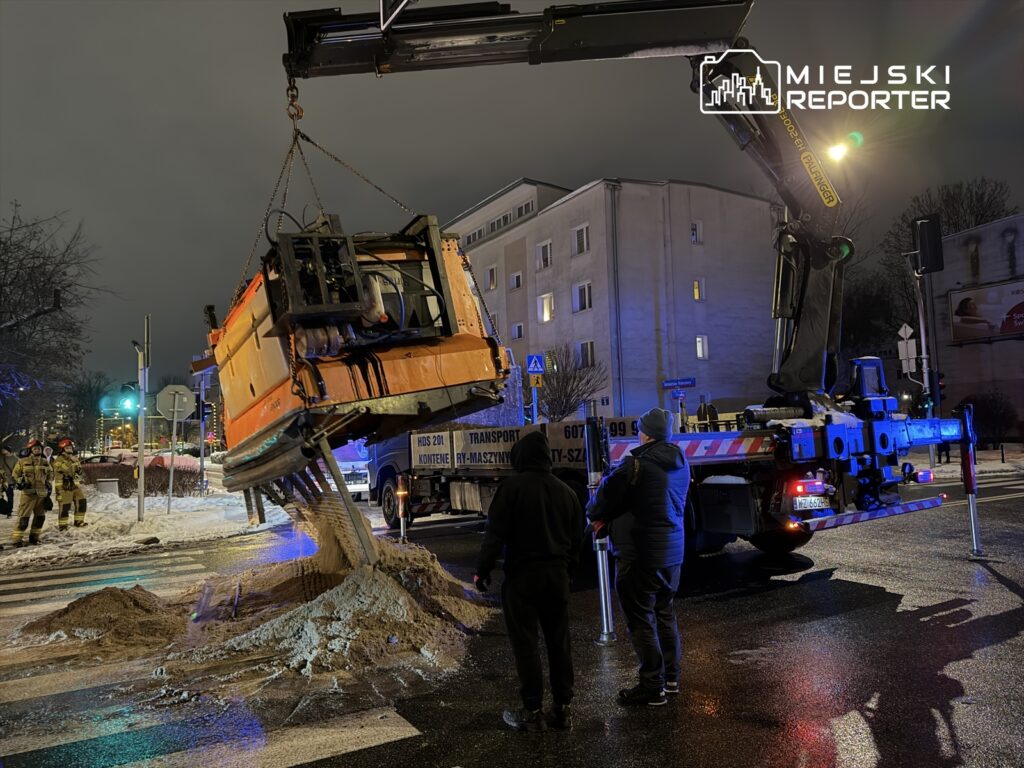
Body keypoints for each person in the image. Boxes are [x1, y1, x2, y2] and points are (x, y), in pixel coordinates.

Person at [474, 431, 585, 732]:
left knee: (526, 643)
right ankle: (563, 709)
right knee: (559, 642)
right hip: (557, 576)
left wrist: (482, 571)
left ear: (520, 457)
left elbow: (494, 535)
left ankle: (532, 709)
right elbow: (577, 539)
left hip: (523, 577)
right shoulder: (567, 492)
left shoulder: (511, 489)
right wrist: (568, 570)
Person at [588, 407, 689, 707]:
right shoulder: (681, 463)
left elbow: (601, 504)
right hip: (672, 555)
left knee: (641, 620)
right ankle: (671, 679)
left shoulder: (634, 465)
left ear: (645, 433)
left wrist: (597, 510)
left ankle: (651, 686)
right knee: (665, 614)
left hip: (640, 554)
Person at [11, 438, 54, 546]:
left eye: (39, 448)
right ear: (31, 450)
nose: (37, 450)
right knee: (23, 519)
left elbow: (50, 475)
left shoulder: (45, 462)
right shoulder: (22, 462)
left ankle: (34, 538)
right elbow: (15, 474)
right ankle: (17, 540)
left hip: (42, 495)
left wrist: (48, 485)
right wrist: (21, 482)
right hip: (28, 495)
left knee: (40, 518)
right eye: (35, 448)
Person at [52, 438, 87, 530]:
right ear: (63, 449)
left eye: (70, 448)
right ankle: (63, 526)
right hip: (64, 487)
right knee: (65, 506)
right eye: (67, 448)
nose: (69, 450)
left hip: (75, 485)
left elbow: (79, 471)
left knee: (82, 502)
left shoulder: (74, 459)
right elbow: (64, 469)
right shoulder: (59, 460)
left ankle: (79, 521)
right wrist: (70, 460)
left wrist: (79, 474)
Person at [0, 444, 17, 517]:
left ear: (8, 450)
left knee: (10, 496)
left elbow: (17, 471)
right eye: (2, 450)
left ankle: (9, 511)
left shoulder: (15, 459)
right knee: (1, 497)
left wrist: (15, 481)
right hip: (1, 481)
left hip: (10, 481)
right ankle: (4, 509)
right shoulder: (1, 458)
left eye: (4, 449)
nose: (2, 451)